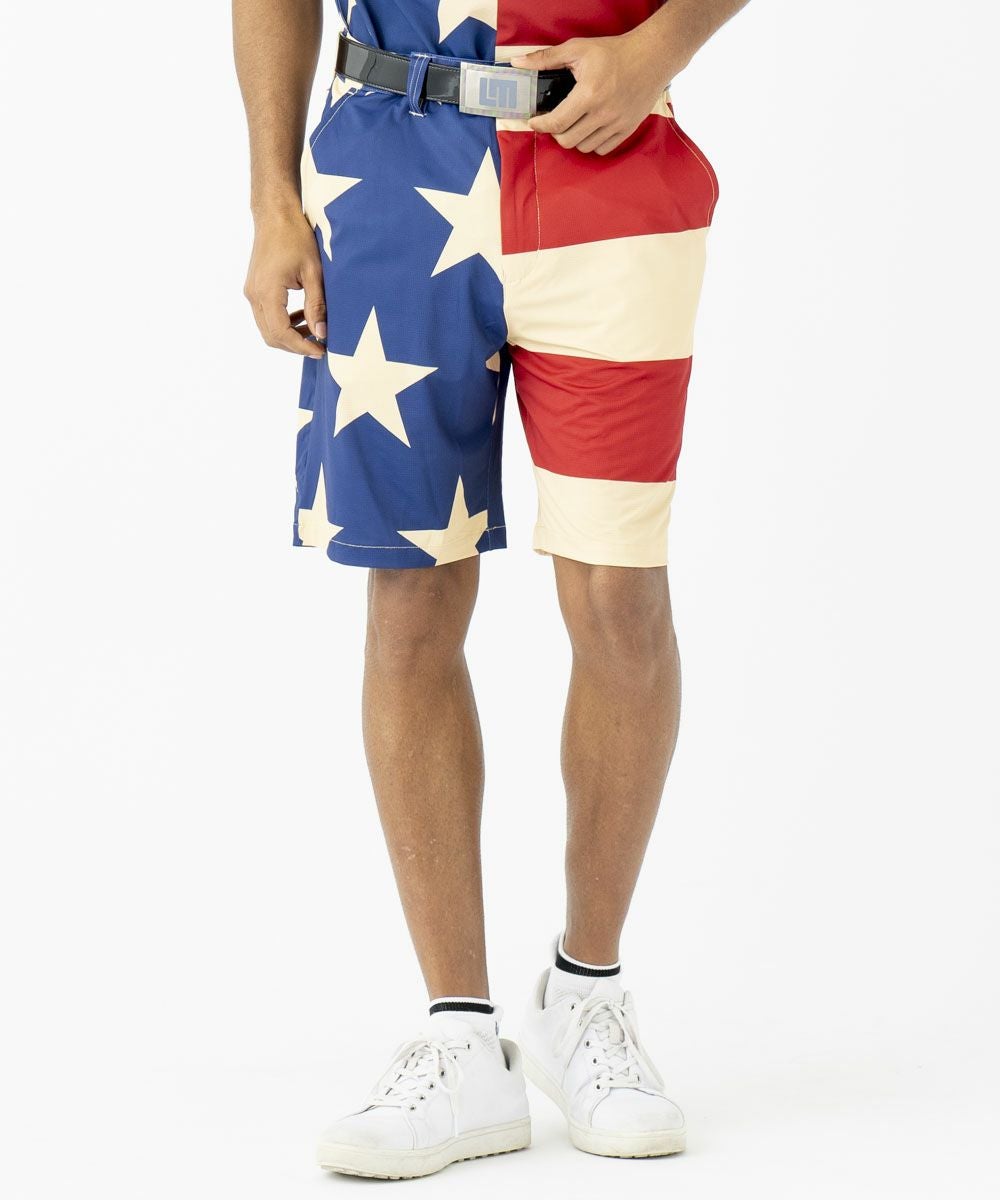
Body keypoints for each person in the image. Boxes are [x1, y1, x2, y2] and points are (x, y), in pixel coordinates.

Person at [234, 0, 748, 1179]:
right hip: (390, 173)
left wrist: (657, 51)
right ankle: (460, 1036)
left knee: (619, 599)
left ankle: (587, 992)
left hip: (608, 169)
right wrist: (270, 199)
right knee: (409, 601)